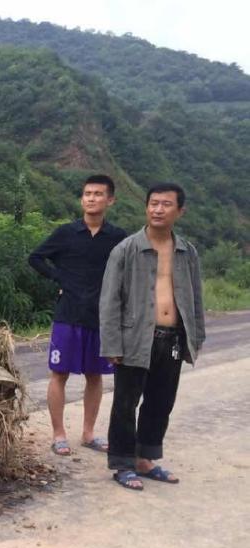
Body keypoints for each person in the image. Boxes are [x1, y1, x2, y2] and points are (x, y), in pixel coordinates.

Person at [99, 183, 205, 490]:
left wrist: (195, 337)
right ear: (146, 207)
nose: (158, 209)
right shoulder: (126, 249)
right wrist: (111, 343)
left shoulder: (186, 251)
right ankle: (121, 463)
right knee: (125, 402)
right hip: (135, 338)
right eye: (153, 203)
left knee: (160, 402)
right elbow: (109, 300)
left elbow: (195, 297)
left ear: (179, 211)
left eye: (166, 204)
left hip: (172, 338)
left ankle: (145, 459)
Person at [28, 174, 127, 456]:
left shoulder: (118, 237)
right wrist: (60, 279)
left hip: (101, 316)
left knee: (95, 376)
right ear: (82, 198)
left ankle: (88, 433)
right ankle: (59, 434)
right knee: (59, 373)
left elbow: (127, 271)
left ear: (110, 200)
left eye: (98, 194)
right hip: (68, 314)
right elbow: (35, 258)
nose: (92, 198)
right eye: (87, 193)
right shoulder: (65, 233)